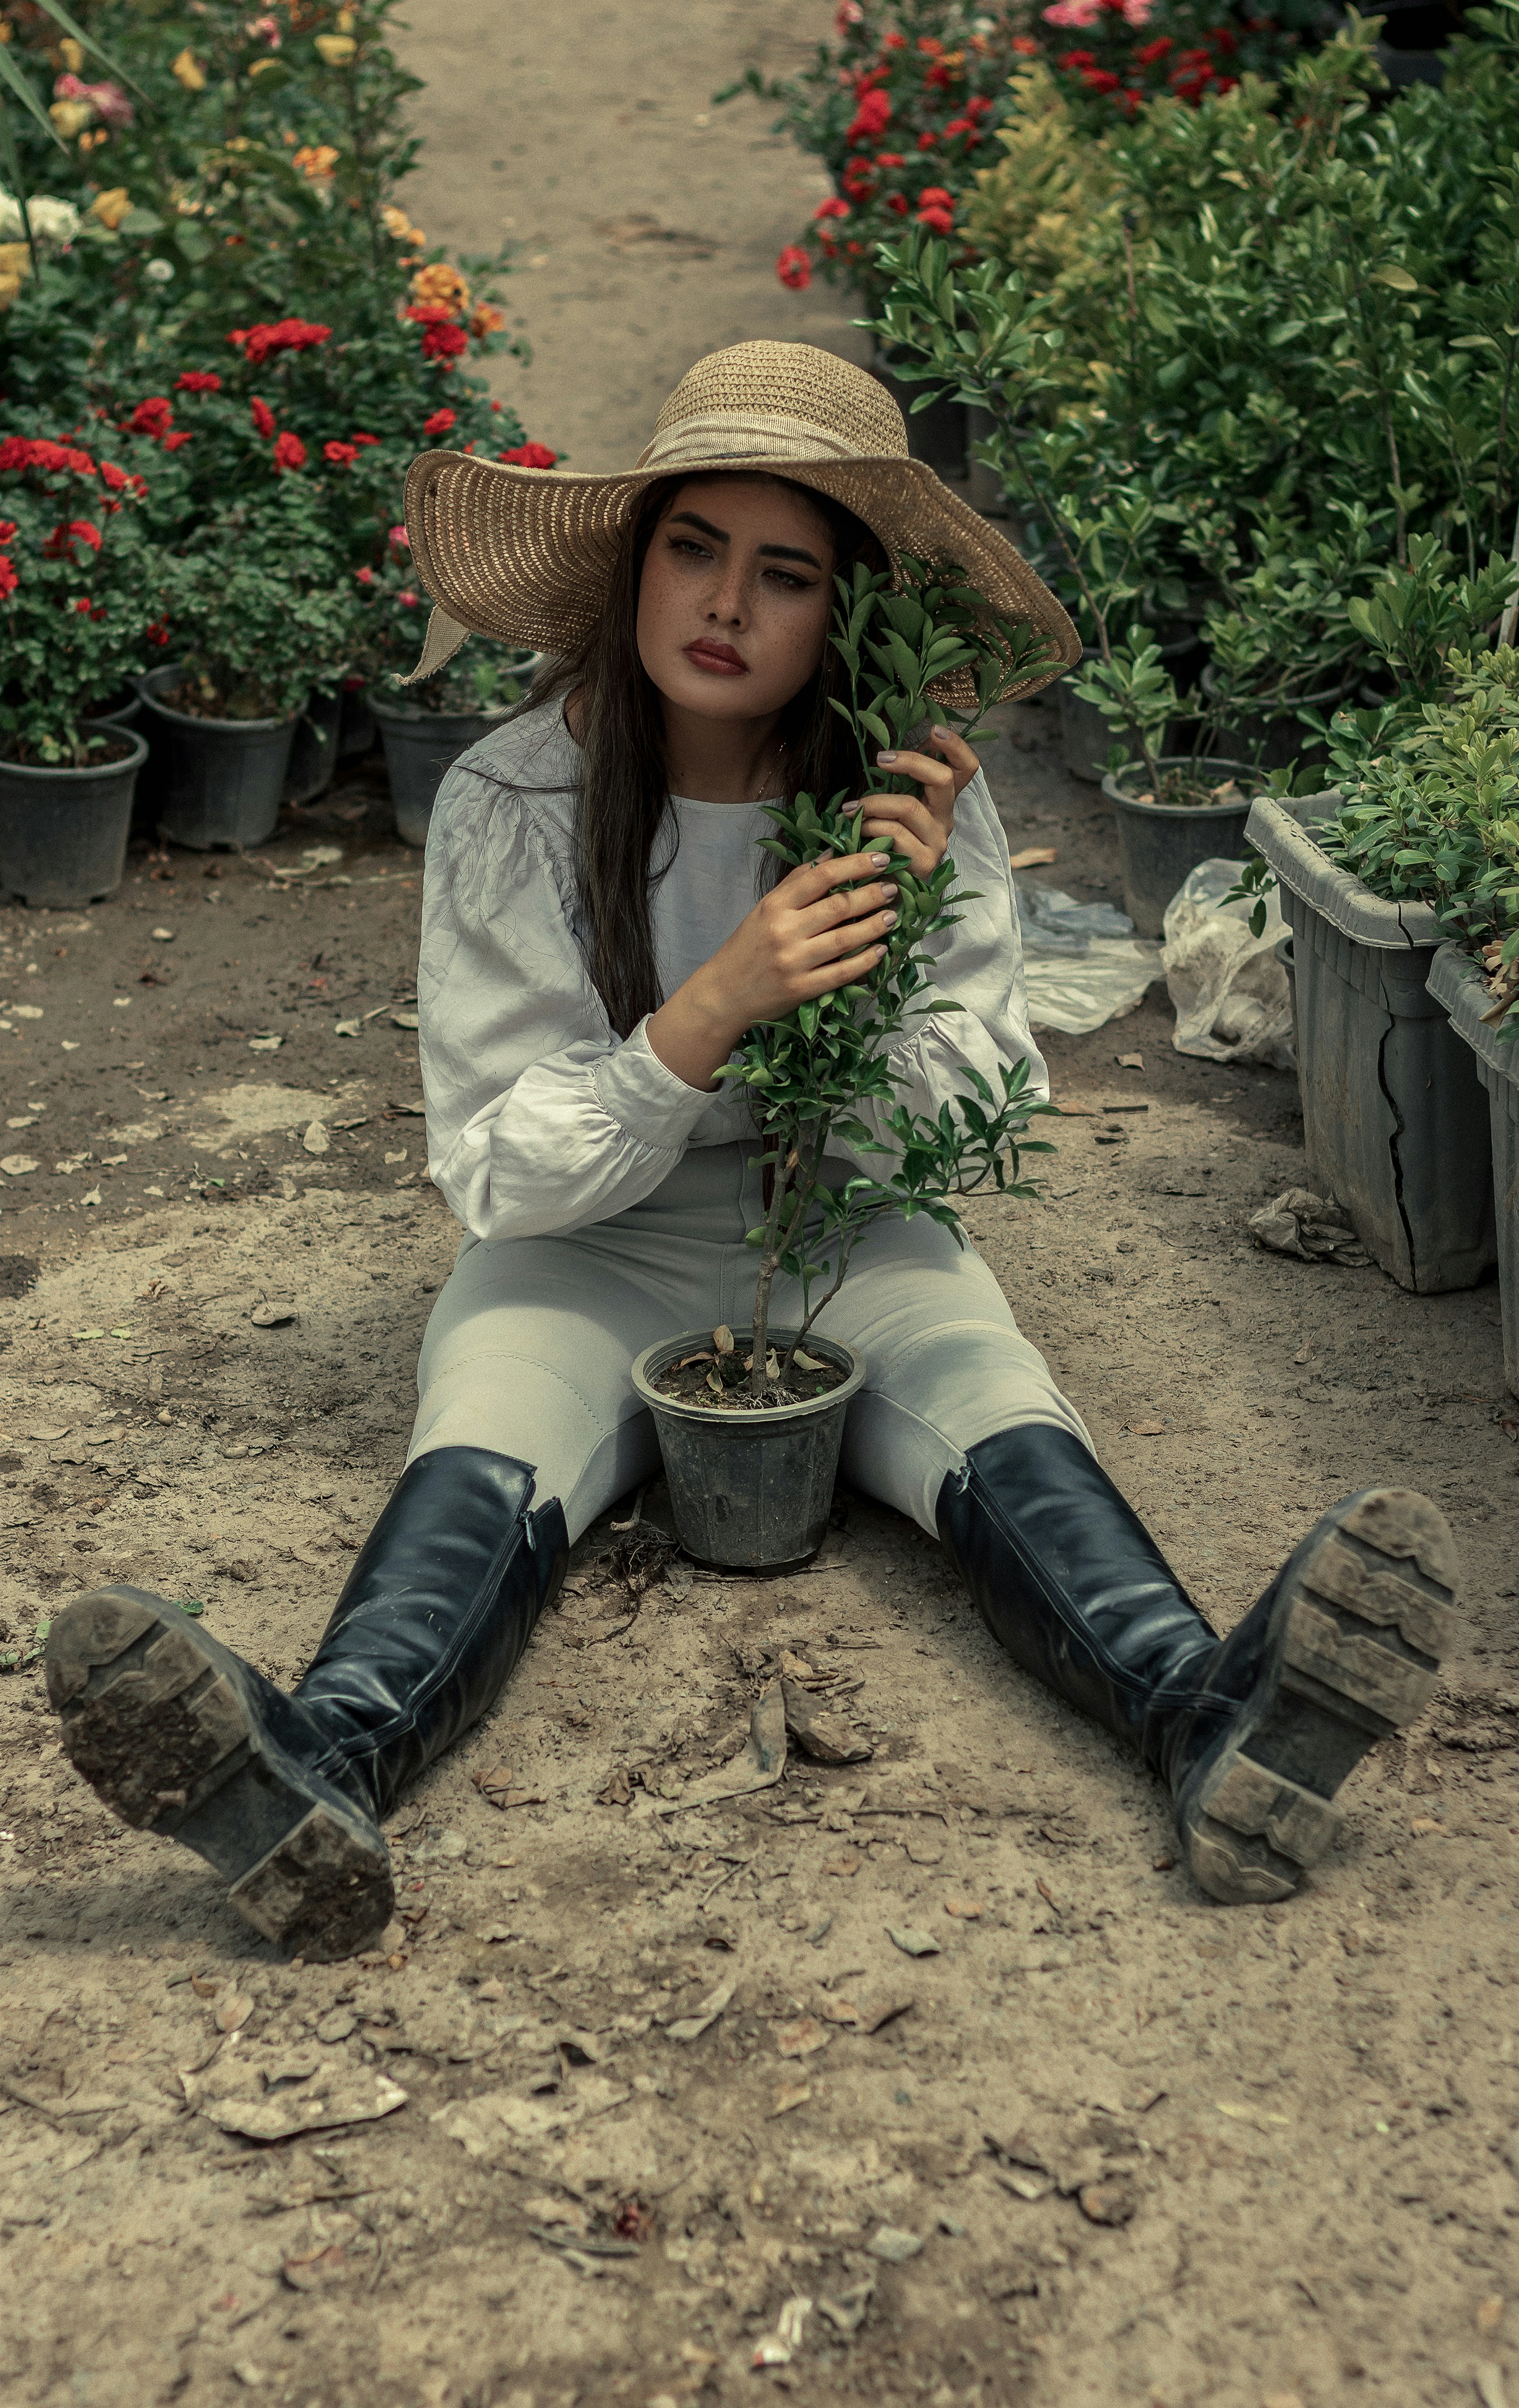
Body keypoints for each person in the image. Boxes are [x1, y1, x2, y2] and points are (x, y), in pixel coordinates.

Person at [43, 343, 1460, 1961]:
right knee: (486, 1451)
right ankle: (315, 1769)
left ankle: (1208, 1720)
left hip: (842, 1221)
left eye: (785, 574)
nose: (725, 601)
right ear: (634, 565)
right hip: (578, 1248)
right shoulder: (518, 797)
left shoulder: (917, 804)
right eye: (693, 547)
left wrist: (895, 931)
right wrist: (711, 1008)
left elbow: (943, 1138)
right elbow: (502, 1174)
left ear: (846, 616)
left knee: (1001, 1414)